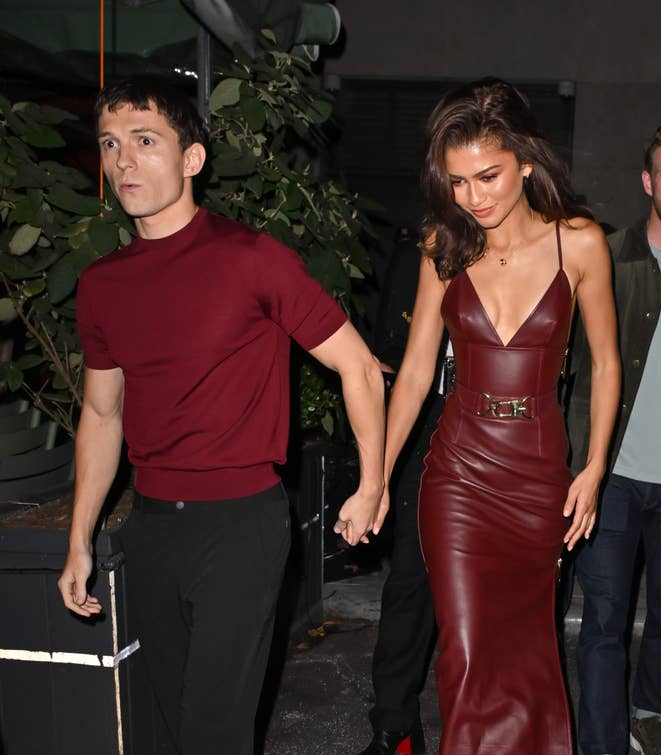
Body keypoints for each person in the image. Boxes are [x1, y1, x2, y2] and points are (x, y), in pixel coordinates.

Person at [56, 76, 386, 755]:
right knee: (174, 725)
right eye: (110, 144)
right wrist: (79, 536)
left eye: (145, 141)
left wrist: (372, 482)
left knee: (213, 732)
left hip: (240, 525)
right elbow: (102, 413)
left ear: (192, 159)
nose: (123, 160)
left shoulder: (252, 259)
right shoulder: (102, 284)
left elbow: (358, 366)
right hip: (152, 526)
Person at [378, 78, 620, 754]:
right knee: (464, 649)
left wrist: (594, 468)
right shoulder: (443, 245)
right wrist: (378, 477)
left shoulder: (580, 243)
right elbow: (417, 372)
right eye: (457, 182)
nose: (473, 197)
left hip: (539, 471)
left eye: (488, 176)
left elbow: (606, 363)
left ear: (527, 162)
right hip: (458, 470)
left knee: (528, 652)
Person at [572, 119, 661, 755]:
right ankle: (603, 744)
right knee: (604, 618)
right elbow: (572, 363)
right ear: (648, 181)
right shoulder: (608, 256)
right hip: (612, 473)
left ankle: (650, 714)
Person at [355, 228, 445, 755]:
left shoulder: (544, 242)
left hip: (505, 432)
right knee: (411, 579)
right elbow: (393, 340)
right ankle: (395, 725)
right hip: (425, 423)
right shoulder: (426, 246)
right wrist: (378, 475)